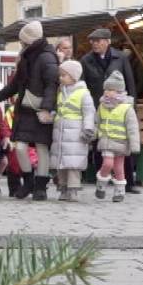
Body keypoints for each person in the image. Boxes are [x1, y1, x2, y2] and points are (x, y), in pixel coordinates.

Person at [0, 21, 62, 201]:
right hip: (25, 110)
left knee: (41, 148)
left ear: (29, 40)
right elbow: (16, 84)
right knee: (21, 148)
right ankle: (29, 181)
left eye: (23, 41)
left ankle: (40, 187)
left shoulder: (47, 57)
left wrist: (47, 108)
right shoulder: (25, 57)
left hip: (40, 111)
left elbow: (52, 85)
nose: (21, 44)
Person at [81, 28, 141, 194]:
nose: (95, 44)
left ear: (108, 41)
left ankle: (128, 182)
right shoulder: (86, 61)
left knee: (123, 147)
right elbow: (83, 85)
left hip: (120, 107)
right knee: (100, 145)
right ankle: (102, 180)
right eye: (92, 41)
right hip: (98, 107)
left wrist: (132, 105)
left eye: (98, 41)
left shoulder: (120, 57)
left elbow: (130, 81)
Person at [52, 60, 96, 202]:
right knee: (61, 165)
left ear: (74, 77)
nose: (61, 78)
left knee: (73, 166)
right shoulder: (61, 92)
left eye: (64, 75)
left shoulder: (83, 93)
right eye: (61, 75)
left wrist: (88, 128)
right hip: (61, 134)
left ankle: (73, 190)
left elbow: (89, 112)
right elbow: (60, 110)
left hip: (76, 134)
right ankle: (63, 189)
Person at [96, 71, 141, 202]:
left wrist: (134, 145)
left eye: (111, 90)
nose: (107, 92)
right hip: (106, 141)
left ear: (119, 91)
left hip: (121, 143)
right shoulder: (102, 106)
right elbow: (96, 121)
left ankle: (119, 191)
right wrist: (93, 134)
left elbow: (132, 128)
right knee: (107, 163)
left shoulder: (127, 108)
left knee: (118, 167)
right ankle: (101, 183)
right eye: (106, 89)